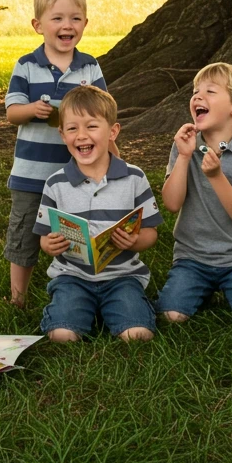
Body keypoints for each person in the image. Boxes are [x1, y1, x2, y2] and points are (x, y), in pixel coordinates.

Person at [3, 0, 109, 308]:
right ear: (38, 26)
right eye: (58, 18)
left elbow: (103, 110)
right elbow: (11, 112)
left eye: (76, 19)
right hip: (32, 174)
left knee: (72, 231)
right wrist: (31, 110)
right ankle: (18, 296)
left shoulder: (88, 66)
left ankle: (75, 284)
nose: (67, 25)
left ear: (85, 25)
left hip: (75, 173)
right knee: (24, 234)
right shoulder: (27, 65)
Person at [33, 86, 162, 342]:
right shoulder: (55, 183)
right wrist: (50, 245)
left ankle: (118, 310)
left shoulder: (134, 177)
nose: (81, 136)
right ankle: (79, 310)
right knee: (61, 335)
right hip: (72, 276)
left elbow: (150, 232)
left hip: (122, 276)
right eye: (72, 129)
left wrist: (135, 241)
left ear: (112, 131)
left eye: (91, 127)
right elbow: (44, 236)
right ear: (62, 134)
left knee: (138, 335)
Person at [156, 63, 232, 327]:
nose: (197, 96)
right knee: (170, 317)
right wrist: (184, 156)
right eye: (196, 91)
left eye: (210, 91)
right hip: (191, 258)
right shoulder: (184, 146)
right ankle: (200, 288)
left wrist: (216, 176)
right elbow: (172, 204)